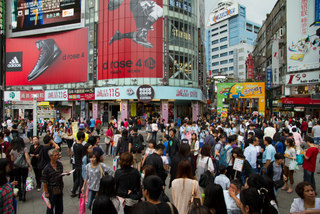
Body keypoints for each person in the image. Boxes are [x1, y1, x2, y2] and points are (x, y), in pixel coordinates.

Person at [42, 149, 66, 214]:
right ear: (50, 157)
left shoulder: (60, 165)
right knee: (50, 207)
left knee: (59, 207)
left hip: (59, 188)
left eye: (58, 155)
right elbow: (44, 182)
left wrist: (65, 174)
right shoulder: (46, 168)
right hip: (51, 190)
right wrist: (46, 192)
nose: (57, 156)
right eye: (55, 155)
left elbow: (59, 175)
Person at [9, 137, 32, 201]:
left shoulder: (13, 150)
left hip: (16, 167)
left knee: (18, 180)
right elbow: (27, 158)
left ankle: (20, 195)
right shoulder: (24, 149)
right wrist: (29, 166)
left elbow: (12, 159)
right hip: (24, 167)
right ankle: (24, 194)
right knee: (24, 180)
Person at [71, 132, 85, 198]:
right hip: (81, 164)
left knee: (77, 179)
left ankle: (74, 191)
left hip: (76, 163)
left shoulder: (75, 145)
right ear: (82, 138)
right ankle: (80, 193)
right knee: (81, 179)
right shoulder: (82, 147)